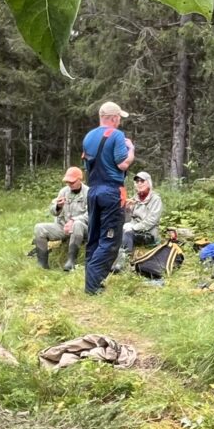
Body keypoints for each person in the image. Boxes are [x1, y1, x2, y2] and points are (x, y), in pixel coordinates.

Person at [82, 102, 135, 294]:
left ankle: (92, 281)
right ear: (113, 118)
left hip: (93, 191)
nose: (120, 121)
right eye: (119, 117)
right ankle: (93, 286)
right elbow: (122, 164)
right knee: (110, 241)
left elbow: (88, 165)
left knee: (94, 238)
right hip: (111, 192)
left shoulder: (88, 137)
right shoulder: (117, 135)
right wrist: (131, 149)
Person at [33, 167, 89, 271]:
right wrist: (58, 206)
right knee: (39, 228)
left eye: (72, 182)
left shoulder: (88, 193)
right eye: (67, 182)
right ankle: (42, 264)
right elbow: (53, 211)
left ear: (80, 179)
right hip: (63, 227)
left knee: (77, 224)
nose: (69, 184)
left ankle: (71, 261)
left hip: (81, 228)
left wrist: (74, 220)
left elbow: (91, 214)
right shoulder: (63, 191)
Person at [115, 171, 163, 272]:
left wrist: (133, 227)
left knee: (128, 233)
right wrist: (127, 208)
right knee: (119, 230)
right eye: (137, 181)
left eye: (142, 181)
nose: (139, 183)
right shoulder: (136, 197)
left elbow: (151, 221)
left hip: (148, 233)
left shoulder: (155, 199)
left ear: (149, 182)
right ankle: (112, 260)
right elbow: (130, 217)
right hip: (133, 229)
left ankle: (123, 263)